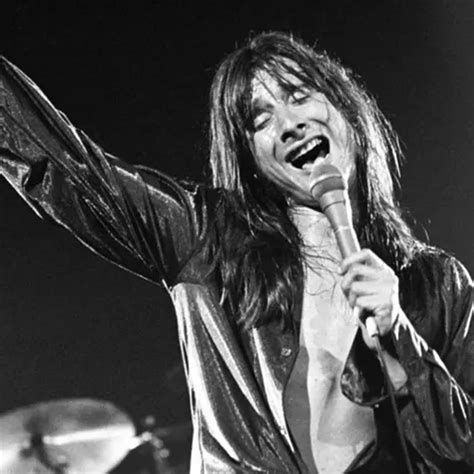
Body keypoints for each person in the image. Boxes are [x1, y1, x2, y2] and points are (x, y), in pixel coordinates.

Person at [0, 31, 472, 473]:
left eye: (299, 95)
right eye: (260, 121)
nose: (289, 125)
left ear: (345, 107)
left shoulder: (437, 286)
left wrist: (404, 342)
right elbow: (69, 170)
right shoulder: (208, 241)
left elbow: (463, 450)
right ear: (252, 159)